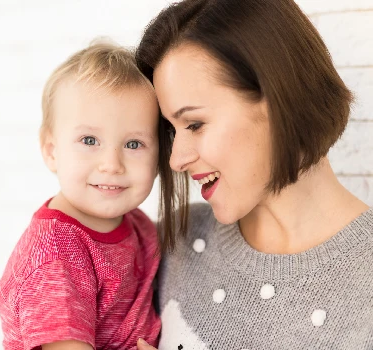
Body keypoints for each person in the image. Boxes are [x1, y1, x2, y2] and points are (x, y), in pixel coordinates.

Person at [133, 0, 373, 349]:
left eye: (195, 124)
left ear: (279, 97)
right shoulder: (174, 243)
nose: (177, 159)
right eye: (172, 130)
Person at [0, 41, 162, 350]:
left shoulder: (138, 224)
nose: (112, 165)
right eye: (89, 140)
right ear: (52, 151)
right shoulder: (54, 254)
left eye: (134, 144)